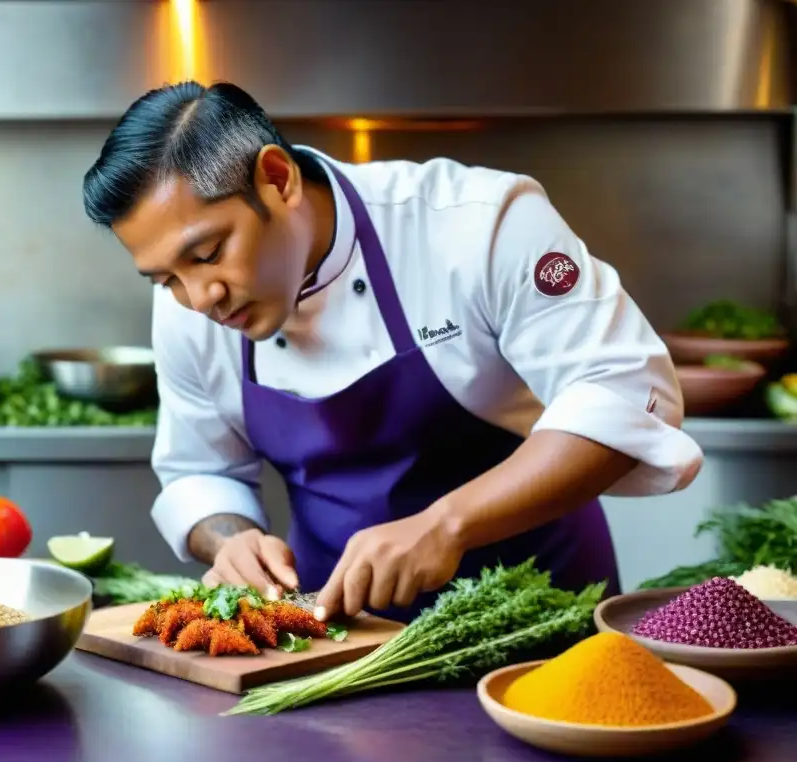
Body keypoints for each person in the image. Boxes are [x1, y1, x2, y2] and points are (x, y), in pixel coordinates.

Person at [82, 81, 703, 624]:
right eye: (164, 278)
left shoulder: (475, 225)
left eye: (209, 252)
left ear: (277, 179)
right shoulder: (188, 305)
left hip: (540, 617)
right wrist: (232, 542)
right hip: (336, 639)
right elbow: (200, 471)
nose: (201, 298)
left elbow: (622, 392)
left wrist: (447, 524)